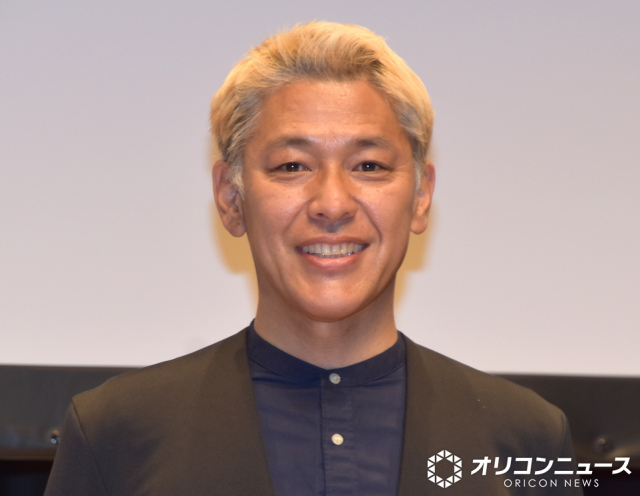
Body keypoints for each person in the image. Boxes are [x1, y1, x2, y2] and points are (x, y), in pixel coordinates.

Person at [44, 22, 583, 495]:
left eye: (369, 166)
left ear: (421, 196)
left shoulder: (528, 436)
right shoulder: (114, 432)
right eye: (292, 167)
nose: (332, 204)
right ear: (231, 199)